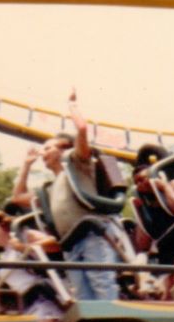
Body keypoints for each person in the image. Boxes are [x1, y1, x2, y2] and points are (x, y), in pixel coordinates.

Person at [12, 90, 124, 301]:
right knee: (82, 294)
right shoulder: (49, 188)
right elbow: (17, 198)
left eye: (48, 148)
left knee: (101, 281)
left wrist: (72, 106)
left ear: (64, 150)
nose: (43, 153)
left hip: (91, 233)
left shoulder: (77, 165)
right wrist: (26, 166)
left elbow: (82, 129)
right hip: (70, 243)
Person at [0, 211, 64, 322]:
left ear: (3, 224)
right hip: (25, 303)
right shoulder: (2, 255)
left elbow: (54, 244)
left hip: (42, 296)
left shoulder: (23, 235)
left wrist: (22, 247)